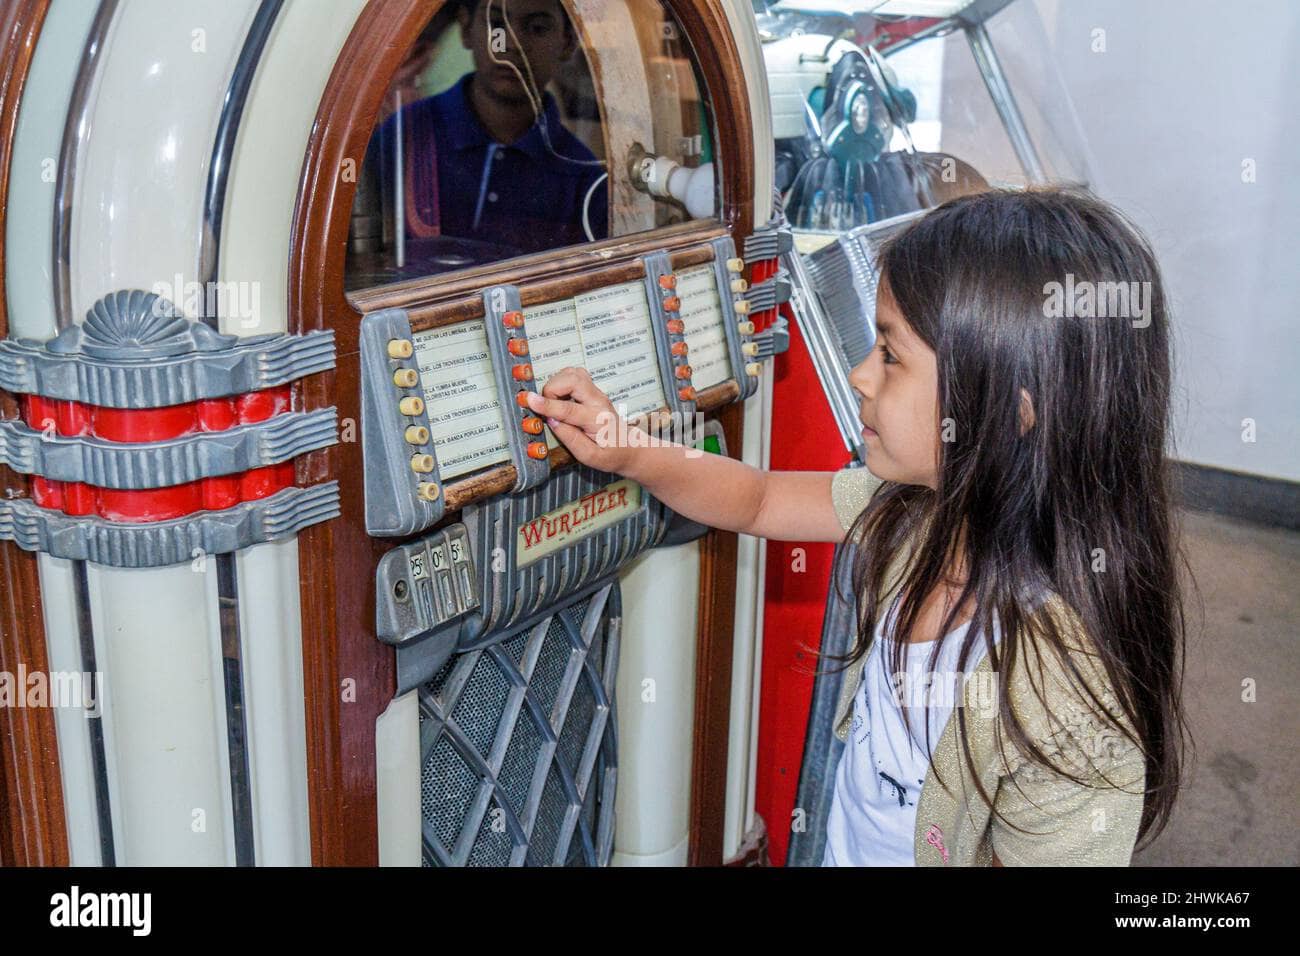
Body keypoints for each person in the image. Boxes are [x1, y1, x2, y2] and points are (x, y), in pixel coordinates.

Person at [523, 185, 1189, 866]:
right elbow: (757, 499)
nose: (859, 374)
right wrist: (629, 447)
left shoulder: (1064, 699)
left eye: (891, 355)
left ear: (1016, 409)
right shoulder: (921, 512)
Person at [377, 0, 607, 257]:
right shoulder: (401, 137)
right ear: (466, 29)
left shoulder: (583, 177)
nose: (511, 44)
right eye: (496, 24)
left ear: (567, 43)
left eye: (538, 28)